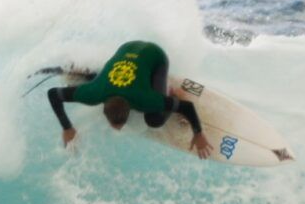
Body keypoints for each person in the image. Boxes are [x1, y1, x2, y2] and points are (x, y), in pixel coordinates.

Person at [47, 40, 213, 159]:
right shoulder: (93, 93)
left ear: (131, 109)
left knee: (154, 120)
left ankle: (171, 93)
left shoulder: (145, 100)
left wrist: (198, 133)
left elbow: (187, 106)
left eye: (120, 125)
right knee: (97, 82)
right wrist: (67, 128)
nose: (118, 129)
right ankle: (89, 74)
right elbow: (53, 94)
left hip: (155, 55)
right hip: (126, 48)